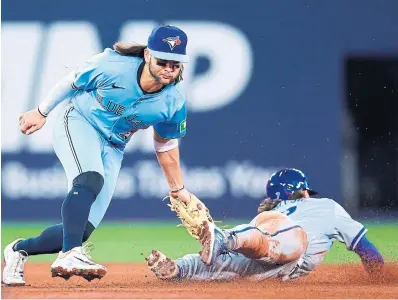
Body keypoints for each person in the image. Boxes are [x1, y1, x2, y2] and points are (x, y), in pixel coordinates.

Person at [3, 24, 194, 285]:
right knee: (90, 179)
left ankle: (18, 250)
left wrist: (177, 188)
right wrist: (41, 112)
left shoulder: (174, 100)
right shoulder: (113, 65)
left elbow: (165, 145)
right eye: (163, 61)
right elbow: (71, 82)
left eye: (176, 64)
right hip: (79, 121)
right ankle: (69, 254)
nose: (169, 69)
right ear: (148, 54)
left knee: (80, 230)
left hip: (115, 146)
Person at [146, 168, 384, 281]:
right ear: (303, 191)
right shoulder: (327, 206)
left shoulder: (271, 212)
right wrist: (378, 280)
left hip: (266, 263)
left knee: (220, 263)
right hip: (287, 249)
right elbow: (367, 250)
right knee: (293, 239)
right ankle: (224, 239)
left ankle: (179, 268)